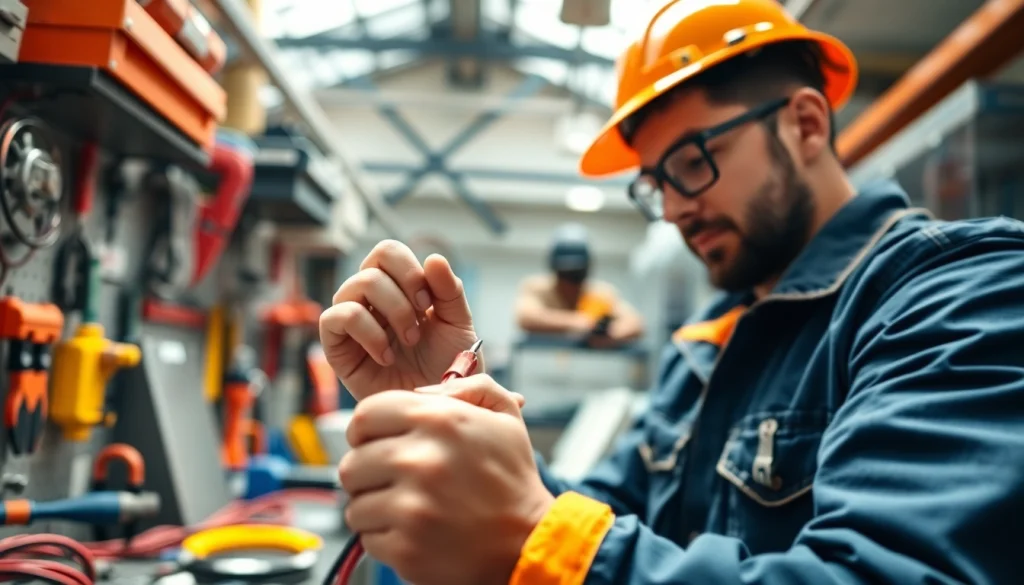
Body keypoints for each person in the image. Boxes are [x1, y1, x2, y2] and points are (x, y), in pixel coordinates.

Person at [317, 1, 1024, 584]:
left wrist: (539, 535)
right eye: (657, 182)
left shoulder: (956, 295)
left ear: (806, 123)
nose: (677, 207)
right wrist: (439, 404)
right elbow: (603, 507)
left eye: (692, 162)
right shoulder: (708, 345)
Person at [515, 223, 644, 347]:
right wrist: (583, 322)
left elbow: (635, 323)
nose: (570, 285)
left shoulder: (600, 293)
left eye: (576, 276)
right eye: (565, 275)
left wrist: (609, 336)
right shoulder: (537, 288)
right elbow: (526, 317)